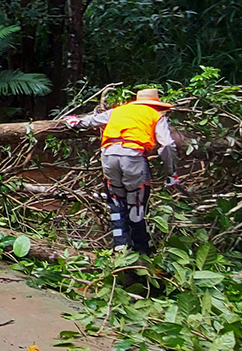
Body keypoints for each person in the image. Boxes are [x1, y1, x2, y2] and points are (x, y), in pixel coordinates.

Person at [63, 87, 179, 254]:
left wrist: (74, 121)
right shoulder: (156, 115)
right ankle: (141, 251)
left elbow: (91, 120)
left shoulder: (118, 111)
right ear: (157, 105)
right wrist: (171, 173)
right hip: (132, 156)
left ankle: (120, 246)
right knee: (137, 203)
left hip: (108, 155)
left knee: (116, 201)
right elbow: (167, 145)